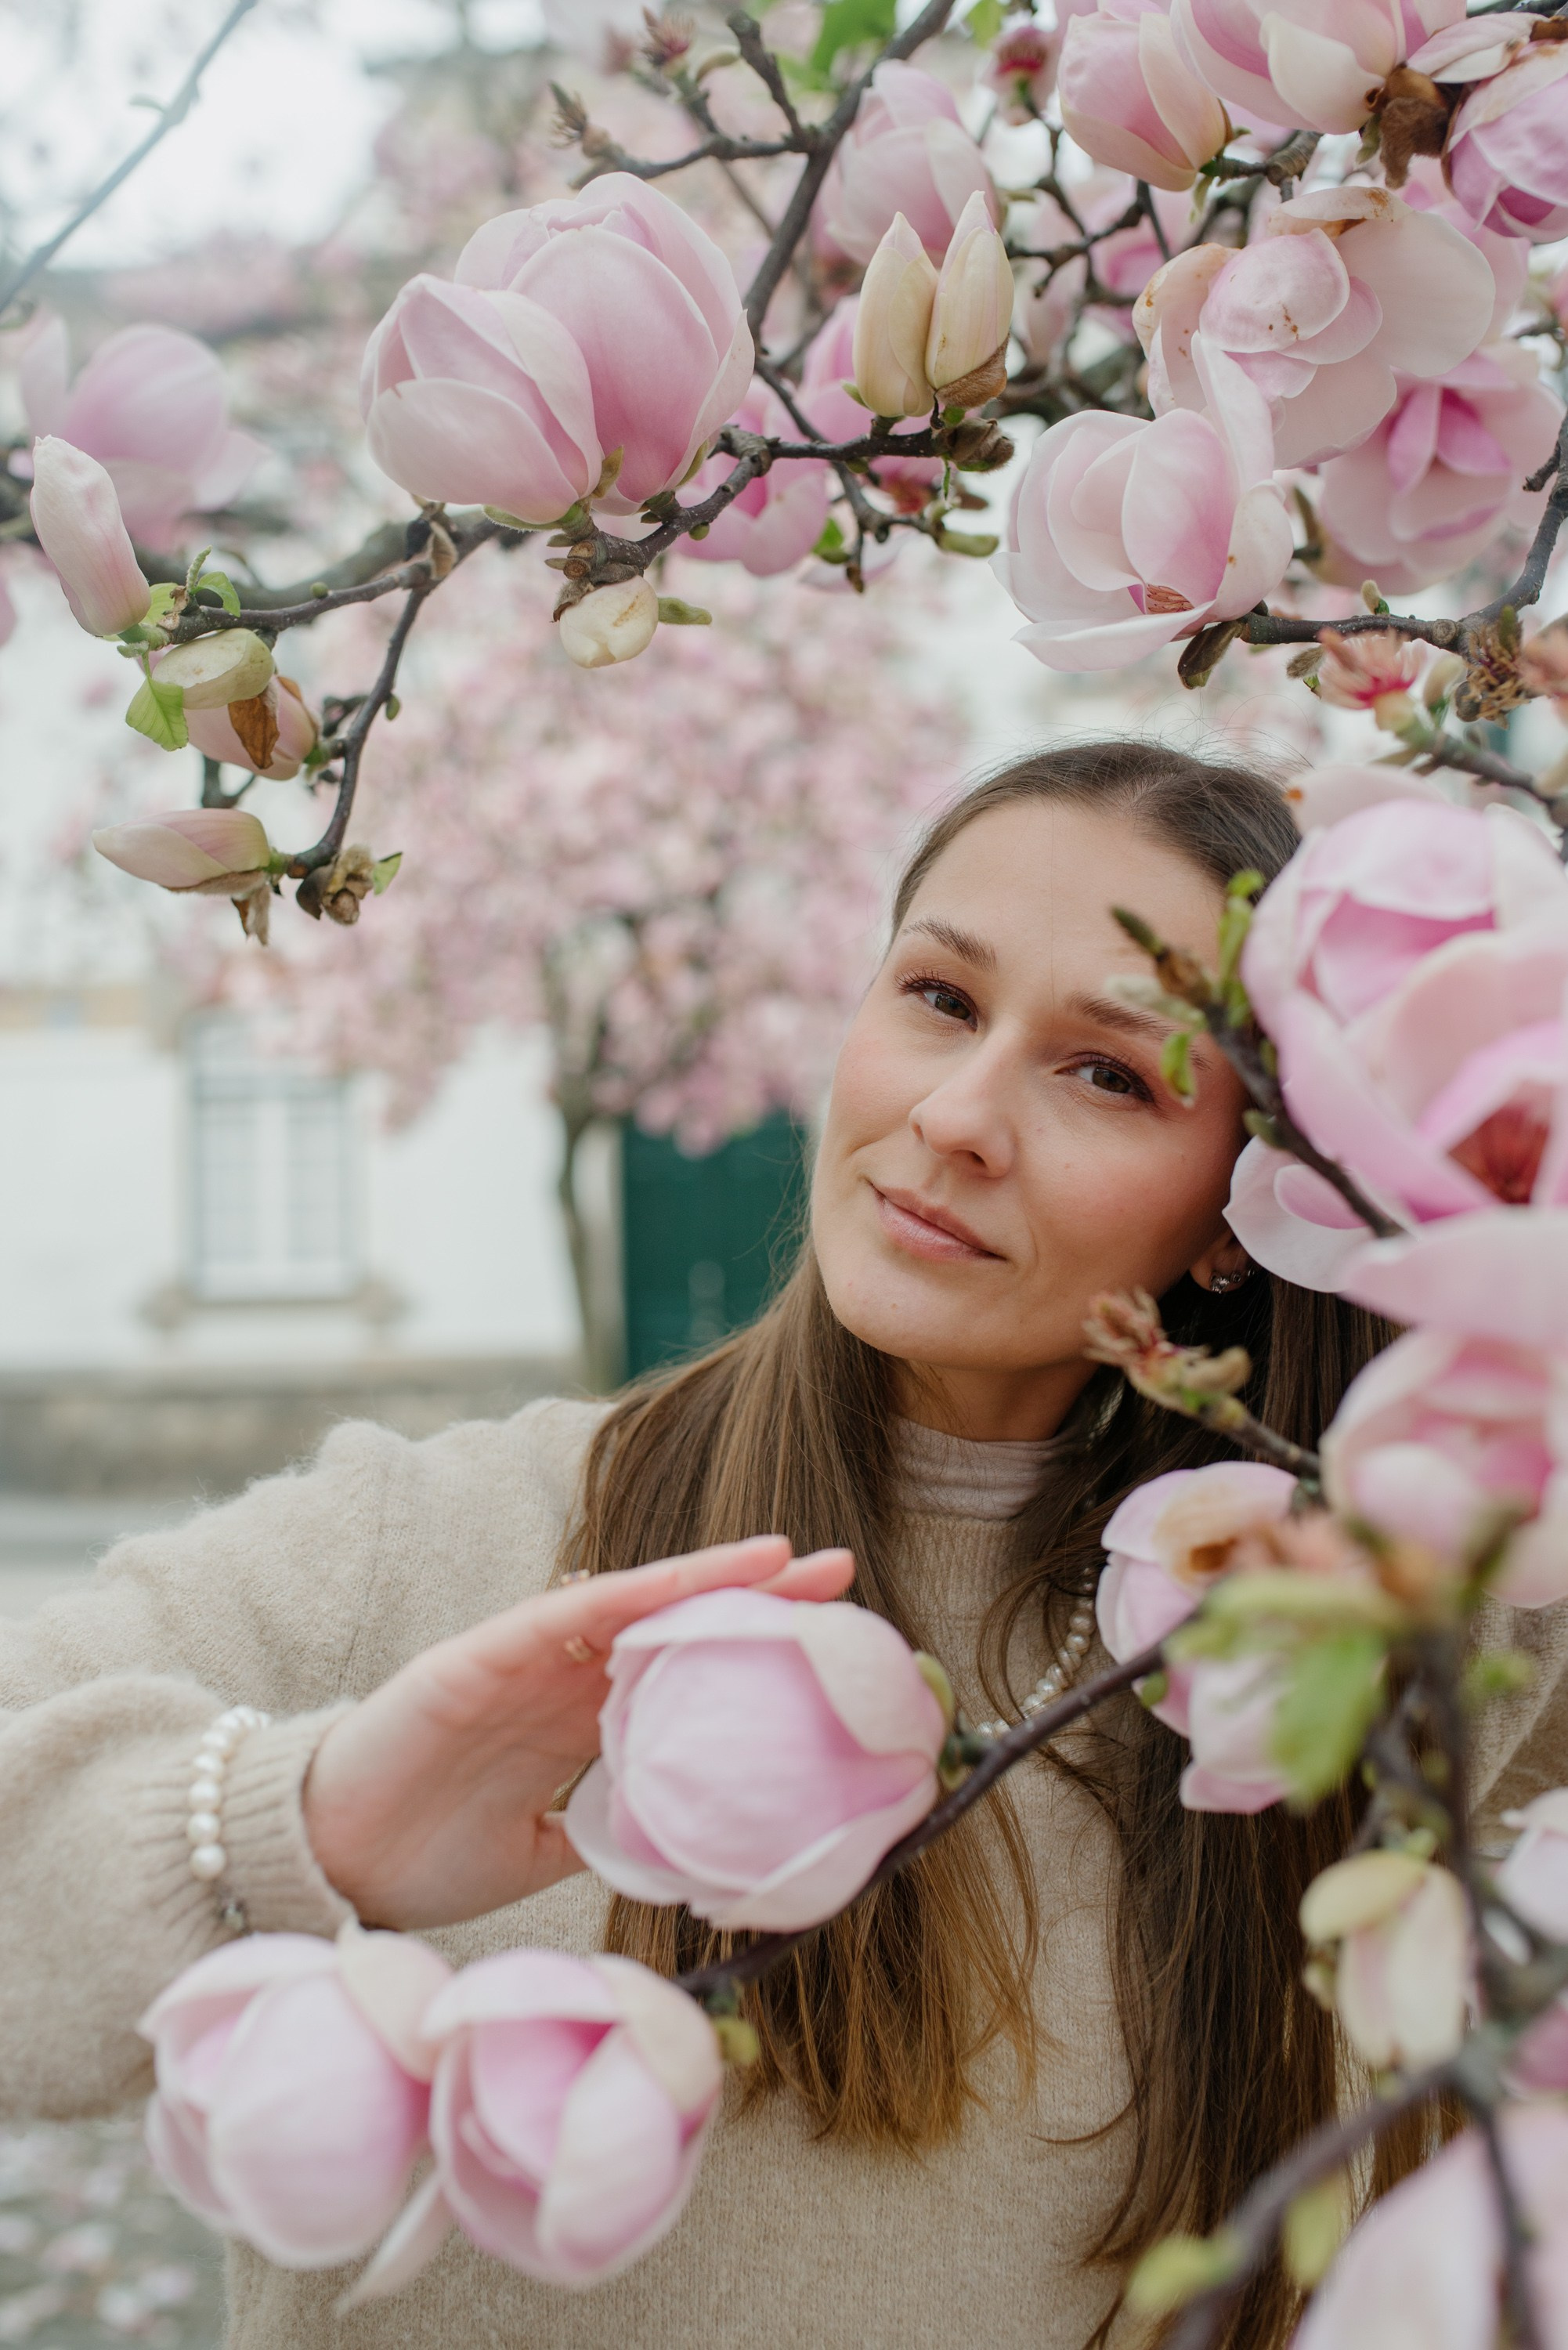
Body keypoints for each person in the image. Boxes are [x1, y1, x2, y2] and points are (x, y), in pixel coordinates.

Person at [5, 742, 1565, 2350]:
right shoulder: (443, 1547)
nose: (954, 1117)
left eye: (1107, 1073)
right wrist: (301, 1827)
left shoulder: (1408, 1636)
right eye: (938, 1000)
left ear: (1247, 1212)